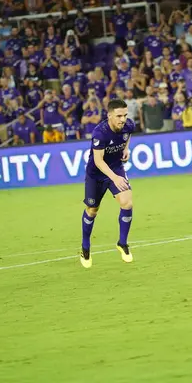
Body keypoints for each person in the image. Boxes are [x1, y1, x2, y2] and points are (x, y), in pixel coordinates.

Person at [80, 99, 134, 269]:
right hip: (96, 174)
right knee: (92, 211)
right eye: (119, 116)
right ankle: (85, 246)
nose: (123, 119)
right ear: (109, 115)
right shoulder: (100, 133)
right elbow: (98, 161)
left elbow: (128, 135)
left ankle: (122, 243)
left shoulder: (128, 125)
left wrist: (126, 148)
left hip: (115, 169)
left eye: (125, 115)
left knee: (127, 202)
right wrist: (115, 178)